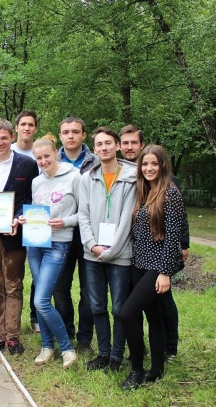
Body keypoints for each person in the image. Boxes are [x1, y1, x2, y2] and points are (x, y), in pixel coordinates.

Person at [120, 125, 190, 358]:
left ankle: (169, 348)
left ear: (141, 145)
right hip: (139, 259)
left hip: (159, 261)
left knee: (162, 304)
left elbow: (177, 222)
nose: (129, 147)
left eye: (134, 142)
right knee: (150, 310)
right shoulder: (139, 184)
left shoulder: (169, 188)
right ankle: (146, 351)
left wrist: (183, 246)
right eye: (125, 143)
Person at [0, 119, 38, 356]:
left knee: (13, 285)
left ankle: (12, 336)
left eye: (4, 138)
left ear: (12, 137)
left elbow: (31, 198)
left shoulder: (27, 164)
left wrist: (19, 217)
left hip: (14, 234)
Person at [18, 137, 79, 369]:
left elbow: (84, 213)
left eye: (47, 156)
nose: (43, 161)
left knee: (41, 300)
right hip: (35, 243)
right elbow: (37, 211)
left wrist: (64, 222)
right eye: (39, 158)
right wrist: (25, 219)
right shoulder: (36, 182)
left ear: (56, 153)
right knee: (40, 298)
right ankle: (47, 346)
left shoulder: (75, 177)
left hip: (58, 244)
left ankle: (66, 348)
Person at [79, 127, 136, 373]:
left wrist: (111, 251)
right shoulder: (87, 179)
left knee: (119, 308)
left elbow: (127, 219)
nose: (104, 148)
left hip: (120, 255)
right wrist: (92, 245)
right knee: (97, 306)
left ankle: (116, 355)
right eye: (99, 144)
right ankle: (103, 353)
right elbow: (83, 215)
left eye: (108, 143)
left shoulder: (132, 178)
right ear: (95, 149)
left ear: (117, 146)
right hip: (92, 254)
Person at [55, 117, 99, 352]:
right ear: (60, 136)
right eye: (66, 132)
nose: (70, 136)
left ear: (84, 135)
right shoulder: (51, 161)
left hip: (89, 234)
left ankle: (84, 339)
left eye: (75, 132)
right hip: (60, 234)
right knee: (60, 287)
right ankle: (65, 331)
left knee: (88, 289)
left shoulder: (97, 162)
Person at [9, 110, 40, 333]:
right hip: (12, 221)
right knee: (14, 274)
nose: (27, 128)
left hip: (37, 218)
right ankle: (12, 320)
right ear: (16, 128)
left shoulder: (41, 152)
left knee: (38, 272)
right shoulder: (8, 151)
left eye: (31, 125)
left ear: (35, 128)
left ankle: (36, 316)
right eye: (23, 124)